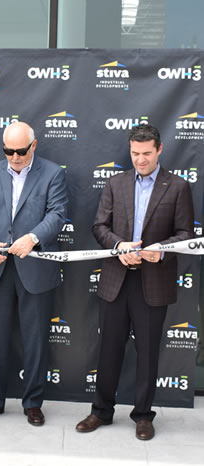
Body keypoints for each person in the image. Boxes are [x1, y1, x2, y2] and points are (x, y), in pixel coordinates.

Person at [76, 124, 194, 440]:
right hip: (116, 279)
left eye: (146, 154)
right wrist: (118, 247)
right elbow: (99, 226)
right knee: (108, 350)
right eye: (134, 154)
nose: (140, 160)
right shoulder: (116, 183)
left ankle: (143, 415)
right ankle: (101, 411)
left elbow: (185, 235)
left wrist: (161, 252)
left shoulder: (178, 187)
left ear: (159, 150)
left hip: (154, 281)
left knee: (148, 352)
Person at [0, 121, 67, 426]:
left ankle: (33, 402)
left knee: (35, 338)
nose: (14, 156)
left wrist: (33, 237)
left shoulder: (52, 173)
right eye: (8, 151)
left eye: (20, 151)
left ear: (33, 146)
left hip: (35, 268)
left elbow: (57, 213)